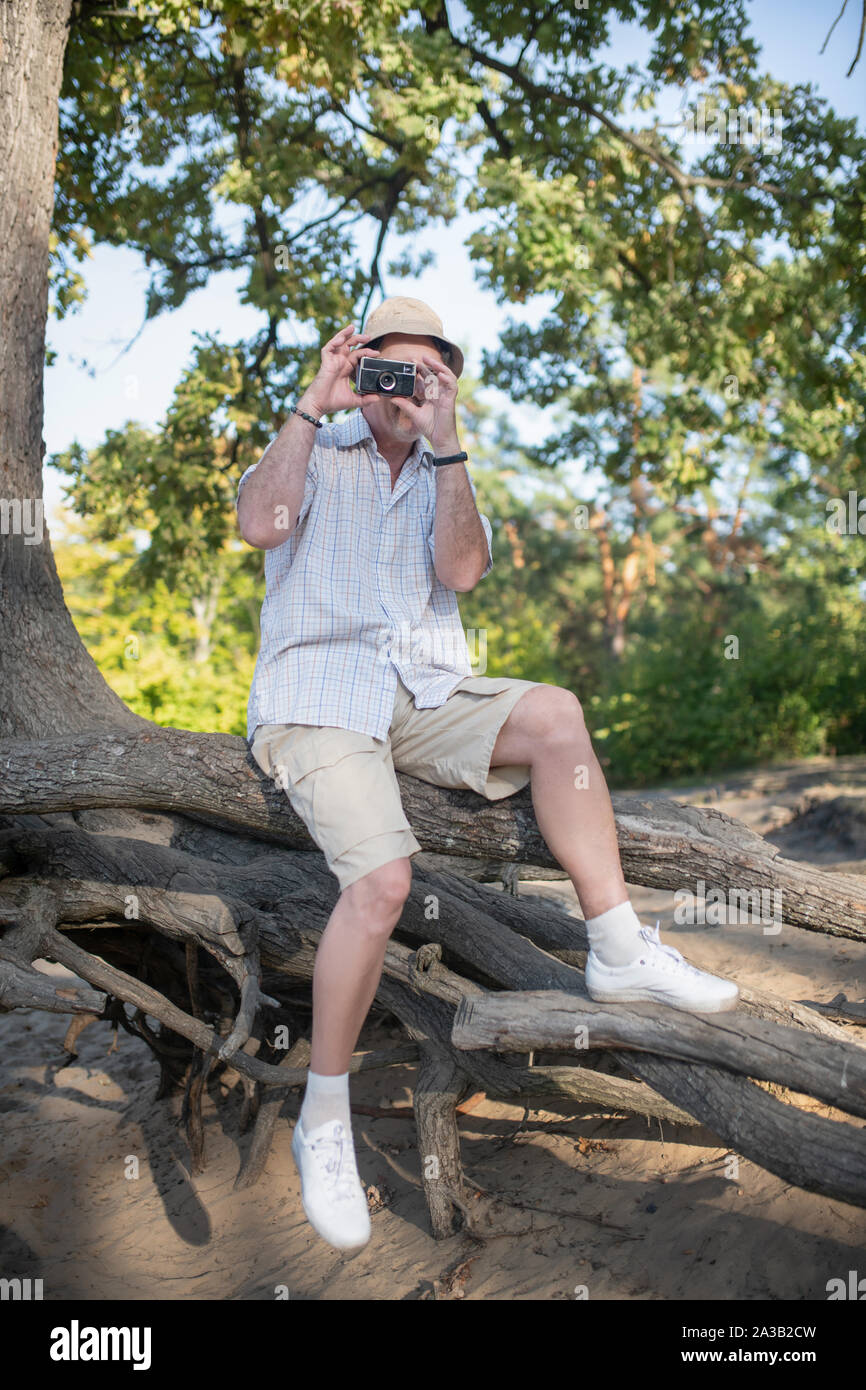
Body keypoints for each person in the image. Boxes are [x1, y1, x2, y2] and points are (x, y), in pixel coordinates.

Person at [236, 295, 738, 1252]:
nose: (402, 390)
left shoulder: (444, 466)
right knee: (383, 882)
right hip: (317, 692)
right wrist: (314, 398)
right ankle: (326, 1114)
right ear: (358, 363)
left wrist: (450, 439)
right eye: (388, 368)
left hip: (423, 692)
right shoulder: (317, 443)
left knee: (556, 714)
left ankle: (620, 950)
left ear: (443, 383)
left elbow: (463, 573)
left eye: (423, 375)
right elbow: (263, 523)